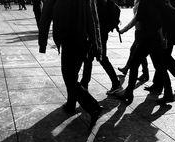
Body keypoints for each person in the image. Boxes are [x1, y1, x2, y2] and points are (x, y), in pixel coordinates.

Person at [38, 0, 103, 128]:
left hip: (69, 40)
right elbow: (94, 19)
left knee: (69, 76)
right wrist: (96, 44)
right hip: (83, 39)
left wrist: (42, 43)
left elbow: (45, 17)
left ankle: (93, 107)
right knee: (72, 74)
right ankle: (71, 104)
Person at [116, 0, 172, 104]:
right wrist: (162, 38)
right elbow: (159, 22)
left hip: (147, 39)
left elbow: (136, 20)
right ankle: (168, 93)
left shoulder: (144, 3)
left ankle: (128, 93)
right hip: (155, 38)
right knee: (160, 67)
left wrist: (124, 30)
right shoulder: (157, 2)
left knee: (134, 64)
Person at [80, 0, 123, 95]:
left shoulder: (97, 2)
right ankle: (84, 85)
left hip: (97, 34)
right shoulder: (105, 1)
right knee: (94, 58)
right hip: (102, 33)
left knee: (97, 58)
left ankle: (115, 84)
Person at [146, 0, 175, 93]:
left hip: (169, 31)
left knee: (163, 57)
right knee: (163, 57)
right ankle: (158, 84)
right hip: (170, 30)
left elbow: (172, 11)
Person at [117, 0, 150, 84]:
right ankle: (145, 74)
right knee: (139, 53)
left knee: (135, 53)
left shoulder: (141, 3)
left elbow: (135, 19)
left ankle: (128, 71)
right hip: (139, 31)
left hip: (141, 31)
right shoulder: (137, 2)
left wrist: (124, 30)